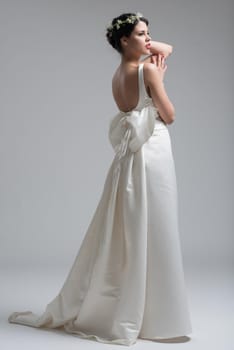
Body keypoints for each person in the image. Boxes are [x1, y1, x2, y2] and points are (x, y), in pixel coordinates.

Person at [8, 12, 192, 346]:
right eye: (141, 34)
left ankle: (133, 306)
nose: (149, 40)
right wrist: (160, 82)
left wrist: (144, 39)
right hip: (152, 152)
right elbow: (170, 116)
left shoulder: (119, 72)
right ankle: (153, 315)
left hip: (128, 158)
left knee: (131, 228)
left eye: (149, 33)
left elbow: (168, 47)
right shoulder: (149, 70)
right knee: (156, 227)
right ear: (124, 40)